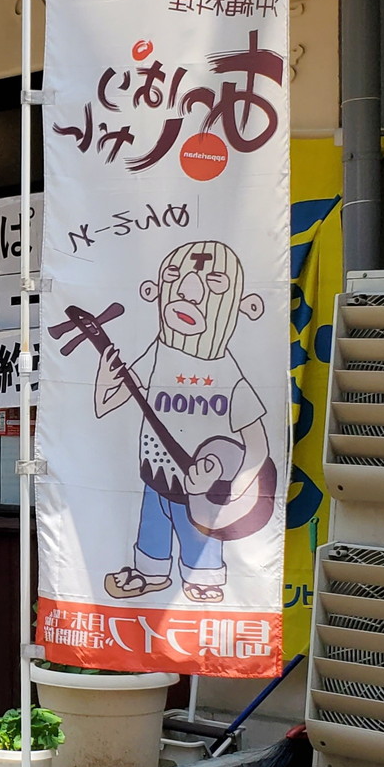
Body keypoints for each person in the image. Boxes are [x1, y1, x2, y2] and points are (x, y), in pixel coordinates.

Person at [93, 239, 272, 605]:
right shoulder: (157, 353)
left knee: (197, 530)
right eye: (175, 277)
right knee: (153, 525)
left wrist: (228, 484)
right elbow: (105, 406)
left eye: (214, 285)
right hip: (155, 474)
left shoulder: (227, 372)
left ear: (235, 305)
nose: (189, 294)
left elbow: (258, 446)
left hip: (203, 489)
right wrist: (101, 380)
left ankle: (203, 577)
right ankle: (150, 572)